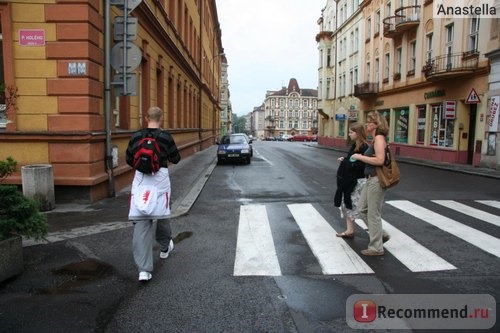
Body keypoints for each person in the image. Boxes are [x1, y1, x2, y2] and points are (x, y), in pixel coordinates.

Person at [125, 106, 181, 281]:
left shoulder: (136, 136)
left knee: (142, 219)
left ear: (146, 118)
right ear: (161, 118)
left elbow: (128, 159)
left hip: (141, 179)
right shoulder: (165, 137)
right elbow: (176, 158)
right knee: (162, 213)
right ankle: (165, 247)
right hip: (160, 178)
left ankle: (144, 270)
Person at [350, 111, 391, 256]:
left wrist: (360, 157)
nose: (367, 124)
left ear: (376, 124)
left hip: (376, 179)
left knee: (373, 213)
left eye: (369, 122)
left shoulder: (379, 138)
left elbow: (380, 160)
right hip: (370, 178)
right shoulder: (375, 139)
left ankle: (376, 247)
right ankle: (381, 234)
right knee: (361, 208)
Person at [334, 122, 369, 238]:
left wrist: (346, 162)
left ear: (358, 134)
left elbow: (361, 165)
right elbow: (351, 160)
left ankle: (377, 231)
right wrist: (344, 159)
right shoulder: (355, 146)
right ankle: (350, 230)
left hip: (358, 181)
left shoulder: (364, 147)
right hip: (351, 180)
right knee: (347, 204)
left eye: (351, 132)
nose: (349, 134)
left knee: (359, 208)